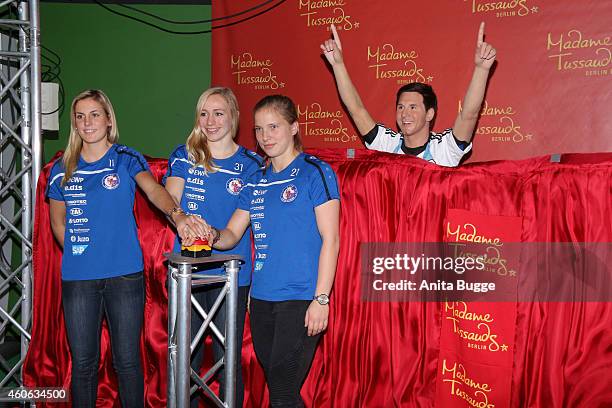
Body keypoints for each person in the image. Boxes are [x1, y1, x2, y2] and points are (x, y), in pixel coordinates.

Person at [47, 89, 205, 408]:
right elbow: (58, 223)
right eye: (80, 116)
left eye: (94, 115)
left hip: (125, 278)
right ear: (74, 124)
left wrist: (178, 214)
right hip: (79, 280)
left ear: (108, 120)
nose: (87, 122)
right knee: (84, 364)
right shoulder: (61, 169)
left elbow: (155, 191)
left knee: (128, 363)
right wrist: (83, 255)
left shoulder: (127, 158)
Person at [203, 94, 340, 407]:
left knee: (280, 390)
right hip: (262, 302)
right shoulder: (256, 180)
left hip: (302, 299)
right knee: (284, 392)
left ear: (294, 127)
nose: (266, 137)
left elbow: (331, 239)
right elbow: (231, 234)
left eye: (274, 127)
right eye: (260, 129)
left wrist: (321, 299)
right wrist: (208, 233)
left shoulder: (315, 172)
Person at [164, 87, 262, 407]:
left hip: (229, 274)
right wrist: (182, 219)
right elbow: (170, 201)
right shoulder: (184, 154)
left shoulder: (251, 165)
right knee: (184, 359)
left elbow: (235, 231)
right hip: (187, 274)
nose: (210, 121)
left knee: (227, 360)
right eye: (204, 113)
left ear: (233, 116)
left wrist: (212, 236)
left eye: (218, 113)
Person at [320, 22, 497, 167]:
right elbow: (356, 109)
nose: (405, 114)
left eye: (413, 107)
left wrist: (481, 69)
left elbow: (469, 115)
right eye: (401, 107)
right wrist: (338, 65)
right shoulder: (386, 145)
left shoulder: (444, 149)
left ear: (430, 114)